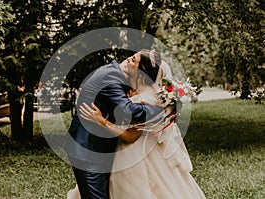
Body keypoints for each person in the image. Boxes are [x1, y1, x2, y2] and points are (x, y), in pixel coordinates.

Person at [73, 60, 206, 198]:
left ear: (142, 71)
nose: (127, 62)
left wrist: (101, 121)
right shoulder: (131, 88)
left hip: (133, 155)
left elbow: (130, 136)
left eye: (134, 61)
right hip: (114, 151)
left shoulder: (149, 100)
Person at [64, 49, 164, 199]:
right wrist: (160, 109)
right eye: (131, 58)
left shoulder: (116, 74)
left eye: (133, 61)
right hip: (88, 149)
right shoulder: (111, 77)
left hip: (100, 147)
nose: (127, 61)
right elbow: (127, 110)